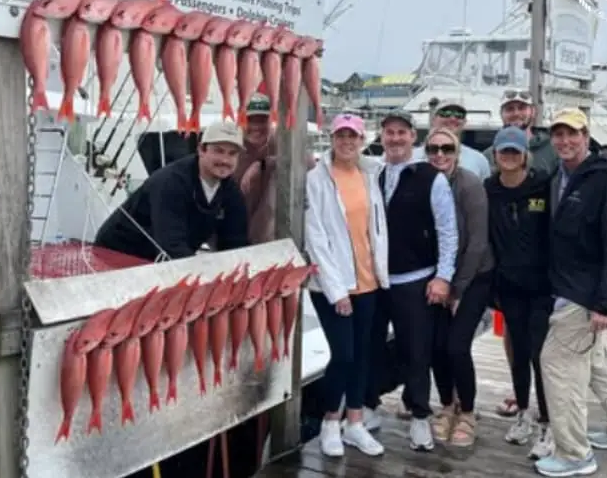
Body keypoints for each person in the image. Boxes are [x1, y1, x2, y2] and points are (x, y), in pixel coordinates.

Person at [535, 108, 607, 478]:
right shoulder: (561, 175)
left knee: (558, 365)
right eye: (559, 134)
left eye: (573, 134)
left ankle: (574, 454)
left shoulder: (605, 180)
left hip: (584, 295)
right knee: (596, 361)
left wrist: (606, 303)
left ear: (586, 137)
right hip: (566, 286)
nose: (565, 141)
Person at [365, 110, 458, 452]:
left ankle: (420, 415)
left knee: (417, 350)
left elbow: (448, 231)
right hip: (376, 279)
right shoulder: (372, 175)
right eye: (389, 132)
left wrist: (443, 277)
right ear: (382, 136)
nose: (395, 138)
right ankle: (370, 405)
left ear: (413, 138)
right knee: (371, 345)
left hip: (416, 279)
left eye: (402, 132)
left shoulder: (431, 177)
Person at [304, 113, 389, 458]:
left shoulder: (370, 173)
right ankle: (329, 421)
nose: (347, 142)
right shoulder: (316, 178)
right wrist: (337, 291)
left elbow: (376, 229)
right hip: (332, 286)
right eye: (341, 135)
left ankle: (355, 422)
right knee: (343, 354)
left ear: (361, 139)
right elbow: (316, 237)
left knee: (363, 354)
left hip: (369, 281)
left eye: (352, 136)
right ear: (331, 138)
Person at [482, 89, 556, 417]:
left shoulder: (545, 177)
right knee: (517, 345)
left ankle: (548, 415)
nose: (515, 112)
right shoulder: (489, 187)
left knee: (544, 351)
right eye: (509, 108)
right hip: (507, 284)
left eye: (521, 107)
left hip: (544, 284)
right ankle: (522, 403)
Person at [424, 127, 494, 448]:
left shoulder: (470, 184)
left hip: (473, 276)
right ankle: (447, 405)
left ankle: (467, 410)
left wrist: (457, 289)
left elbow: (477, 242)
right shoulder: (424, 180)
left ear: (457, 153)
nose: (440, 155)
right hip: (439, 276)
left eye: (447, 149)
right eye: (434, 148)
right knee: (437, 346)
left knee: (457, 345)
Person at [94, 120, 249, 260]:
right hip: (116, 252)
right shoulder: (171, 182)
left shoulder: (230, 191)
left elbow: (236, 243)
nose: (225, 160)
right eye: (218, 151)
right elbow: (172, 247)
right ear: (201, 150)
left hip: (158, 256)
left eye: (232, 154)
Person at [238, 94, 317, 244]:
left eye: (262, 121)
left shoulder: (280, 141)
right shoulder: (232, 146)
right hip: (235, 230)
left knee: (277, 175)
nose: (255, 127)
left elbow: (308, 161)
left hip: (271, 234)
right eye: (250, 121)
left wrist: (264, 164)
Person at [429, 100, 491, 180]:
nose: (452, 118)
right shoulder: (413, 157)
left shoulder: (479, 160)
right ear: (433, 119)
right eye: (445, 113)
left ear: (464, 122)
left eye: (459, 115)